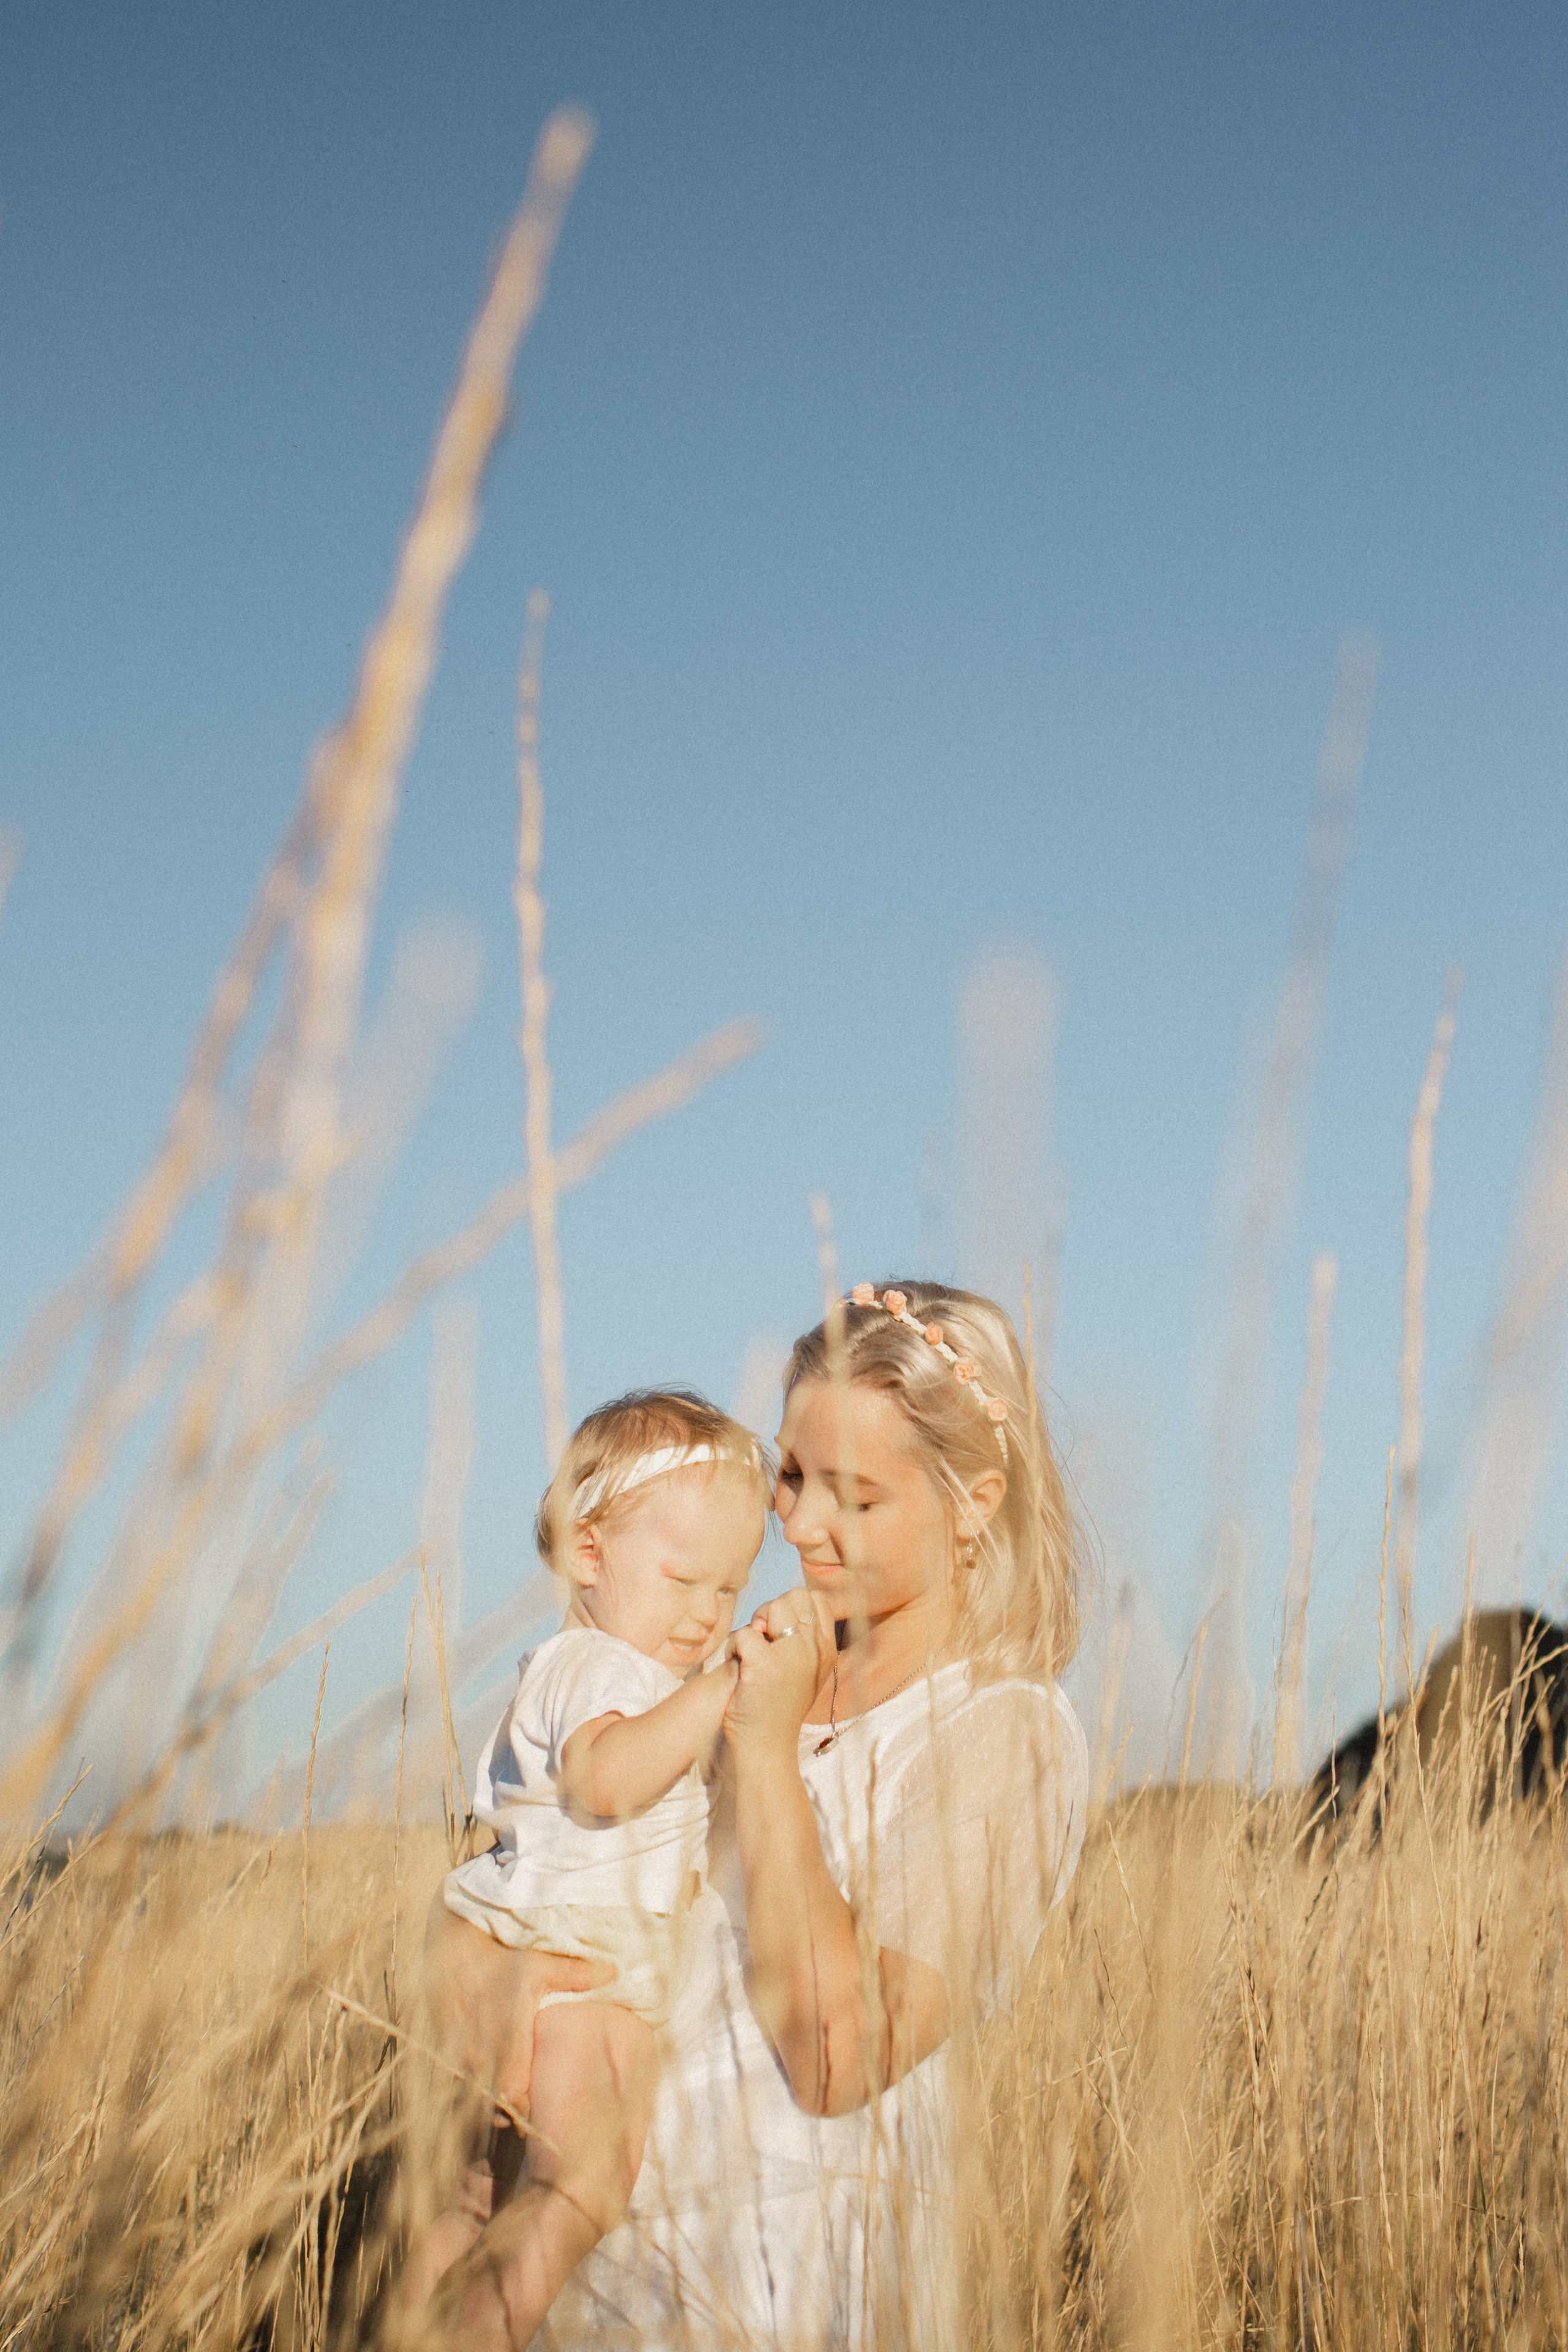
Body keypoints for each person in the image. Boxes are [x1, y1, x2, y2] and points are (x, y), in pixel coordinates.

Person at [432, 1280, 1088, 2351]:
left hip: (785, 2292)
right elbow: (529, 1863)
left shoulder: (1005, 1735)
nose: (800, 1523)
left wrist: (768, 1752)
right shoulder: (707, 1671)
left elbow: (838, 2055)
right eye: (790, 1474)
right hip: (589, 2287)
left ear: (973, 1502)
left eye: (856, 1497)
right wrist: (464, 1966)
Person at [408, 1388, 772, 2350]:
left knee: (474, 2201)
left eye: (731, 1590)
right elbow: (607, 1779)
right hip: (585, 1963)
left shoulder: (596, 1668)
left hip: (520, 1937)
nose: (707, 1615)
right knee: (581, 2185)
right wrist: (733, 1682)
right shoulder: (604, 1670)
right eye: (685, 1579)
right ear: (587, 1551)